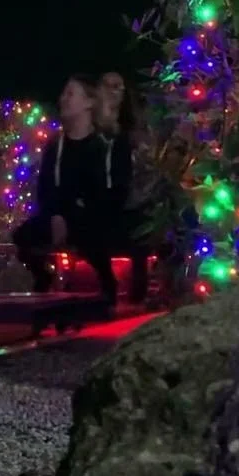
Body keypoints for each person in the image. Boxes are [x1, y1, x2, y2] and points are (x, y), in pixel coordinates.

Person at [12, 75, 118, 302]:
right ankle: (43, 277)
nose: (63, 99)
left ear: (88, 103)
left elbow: (105, 194)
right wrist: (56, 215)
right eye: (63, 94)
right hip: (59, 217)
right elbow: (46, 189)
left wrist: (72, 213)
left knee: (93, 236)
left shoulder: (102, 146)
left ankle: (108, 285)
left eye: (70, 94)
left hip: (90, 218)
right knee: (23, 236)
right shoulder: (56, 146)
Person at [96, 71, 149, 304]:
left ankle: (137, 292)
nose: (114, 92)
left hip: (128, 201)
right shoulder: (89, 127)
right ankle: (106, 288)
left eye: (119, 87)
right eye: (109, 86)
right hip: (99, 199)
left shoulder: (132, 132)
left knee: (140, 228)